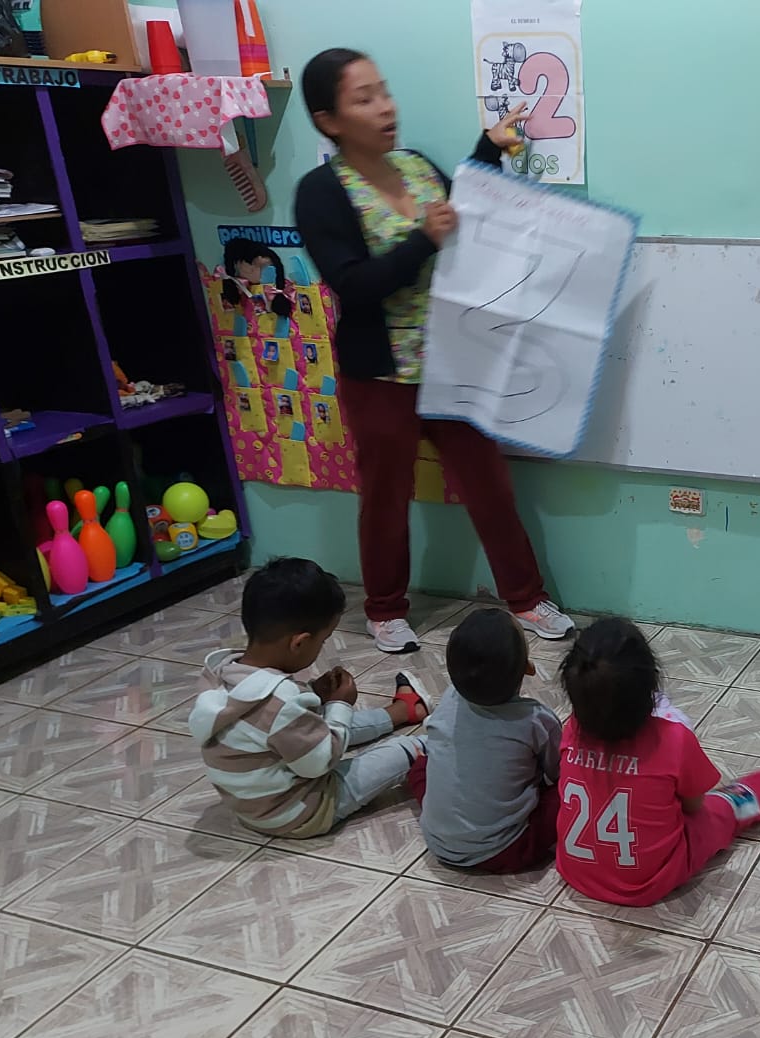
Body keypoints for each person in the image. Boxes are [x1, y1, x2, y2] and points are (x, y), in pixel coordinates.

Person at [295, 48, 573, 654]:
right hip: (381, 374)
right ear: (328, 121)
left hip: (451, 362)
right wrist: (422, 239)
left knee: (489, 484)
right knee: (386, 496)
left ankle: (526, 598)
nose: (385, 107)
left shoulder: (417, 167)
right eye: (364, 98)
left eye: (384, 90)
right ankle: (385, 610)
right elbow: (353, 285)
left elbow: (462, 210)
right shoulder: (320, 192)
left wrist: (488, 149)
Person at [555, 619, 760, 906]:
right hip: (650, 881)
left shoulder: (570, 730)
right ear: (651, 686)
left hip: (576, 872)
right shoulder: (673, 740)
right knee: (734, 801)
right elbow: (695, 806)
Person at [189, 557, 433, 839]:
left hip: (251, 808)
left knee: (317, 721)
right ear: (300, 642)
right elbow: (319, 762)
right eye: (323, 639)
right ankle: (438, 741)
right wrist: (340, 704)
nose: (322, 646)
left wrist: (313, 694)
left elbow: (270, 723)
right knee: (401, 749)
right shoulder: (280, 704)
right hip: (301, 813)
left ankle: (402, 711)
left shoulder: (220, 673)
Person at [410, 608, 563, 872]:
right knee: (568, 792)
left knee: (421, 766)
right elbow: (559, 772)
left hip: (437, 841)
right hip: (505, 849)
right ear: (527, 668)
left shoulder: (449, 699)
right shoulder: (536, 719)